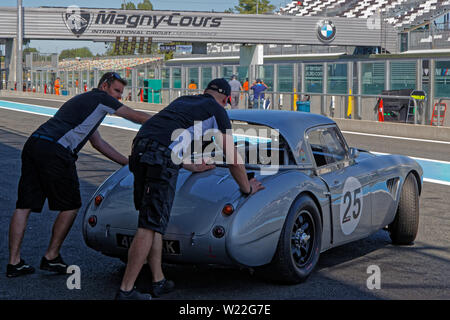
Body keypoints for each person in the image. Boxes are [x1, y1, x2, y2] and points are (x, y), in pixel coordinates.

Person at [116, 78, 265, 300]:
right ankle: (126, 291)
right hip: (159, 157)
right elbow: (234, 159)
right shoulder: (218, 111)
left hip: (139, 149)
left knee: (151, 222)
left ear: (204, 91)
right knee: (148, 227)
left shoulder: (184, 100)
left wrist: (188, 164)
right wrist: (246, 188)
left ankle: (158, 280)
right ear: (225, 99)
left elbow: (164, 134)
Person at [6, 72, 152, 278]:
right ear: (104, 87)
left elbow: (98, 143)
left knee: (24, 205)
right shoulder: (101, 99)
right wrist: (166, 122)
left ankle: (14, 262)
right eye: (116, 91)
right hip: (56, 150)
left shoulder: (85, 103)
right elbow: (135, 116)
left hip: (35, 143)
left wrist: (127, 163)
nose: (119, 97)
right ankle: (51, 256)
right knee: (71, 205)